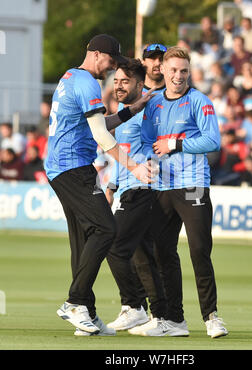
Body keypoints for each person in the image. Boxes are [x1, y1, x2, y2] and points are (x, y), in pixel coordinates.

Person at [44, 34, 155, 336]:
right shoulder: (87, 83)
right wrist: (133, 166)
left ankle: (88, 316)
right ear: (95, 54)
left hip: (61, 166)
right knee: (106, 229)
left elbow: (99, 123)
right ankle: (75, 303)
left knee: (83, 238)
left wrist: (132, 109)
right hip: (72, 166)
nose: (111, 69)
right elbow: (101, 137)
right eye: (110, 61)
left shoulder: (70, 77)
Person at [139, 46, 228, 338]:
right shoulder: (152, 103)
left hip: (192, 185)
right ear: (162, 70)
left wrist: (176, 145)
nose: (178, 76)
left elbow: (212, 140)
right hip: (162, 186)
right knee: (162, 251)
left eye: (184, 71)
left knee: (200, 249)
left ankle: (211, 316)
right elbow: (147, 141)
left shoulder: (199, 101)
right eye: (174, 70)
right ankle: (174, 320)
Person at [105, 58, 167, 334]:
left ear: (139, 85)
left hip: (145, 189)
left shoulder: (147, 110)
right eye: (116, 81)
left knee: (114, 246)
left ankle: (134, 306)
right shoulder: (122, 111)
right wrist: (111, 186)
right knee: (142, 255)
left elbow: (158, 143)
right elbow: (122, 154)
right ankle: (162, 315)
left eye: (124, 82)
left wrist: (154, 169)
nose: (118, 86)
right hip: (128, 187)